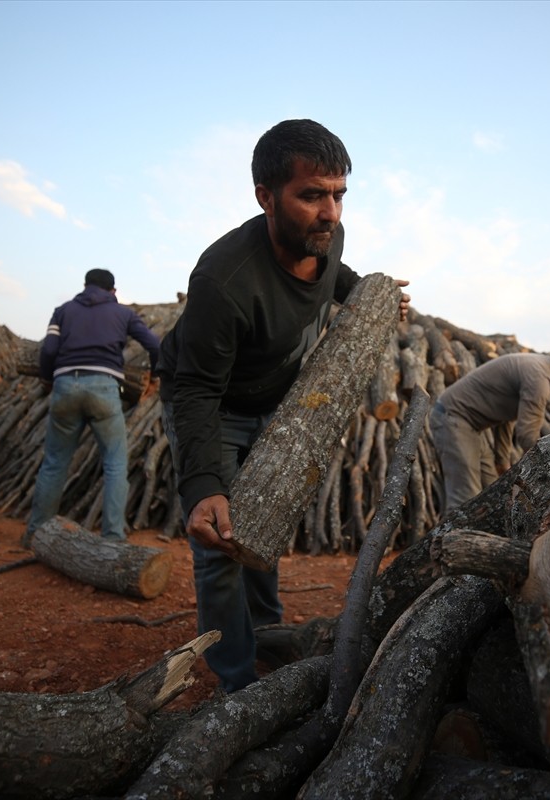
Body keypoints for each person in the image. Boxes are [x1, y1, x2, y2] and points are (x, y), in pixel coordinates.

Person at [156, 119, 409, 692]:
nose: (332, 212)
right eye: (313, 195)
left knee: (262, 529)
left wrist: (364, 293)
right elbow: (195, 389)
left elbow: (326, 278)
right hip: (213, 404)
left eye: (339, 194)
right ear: (266, 197)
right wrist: (203, 487)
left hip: (272, 400)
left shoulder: (326, 237)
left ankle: (265, 639)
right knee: (223, 543)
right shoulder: (224, 280)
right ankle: (237, 687)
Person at [22, 268, 161, 547]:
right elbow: (154, 344)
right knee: (114, 462)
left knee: (54, 463)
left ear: (85, 286)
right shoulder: (123, 314)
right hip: (104, 388)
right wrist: (156, 375)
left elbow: (48, 351)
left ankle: (36, 532)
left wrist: (48, 379)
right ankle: (112, 537)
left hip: (64, 386)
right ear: (113, 291)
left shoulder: (62, 311)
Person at [430, 336, 550, 511]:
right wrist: (549, 470)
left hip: (469, 427)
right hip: (453, 419)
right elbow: (527, 436)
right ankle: (452, 537)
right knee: (464, 499)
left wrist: (502, 461)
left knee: (490, 489)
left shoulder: (540, 372)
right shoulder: (538, 377)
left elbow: (506, 418)